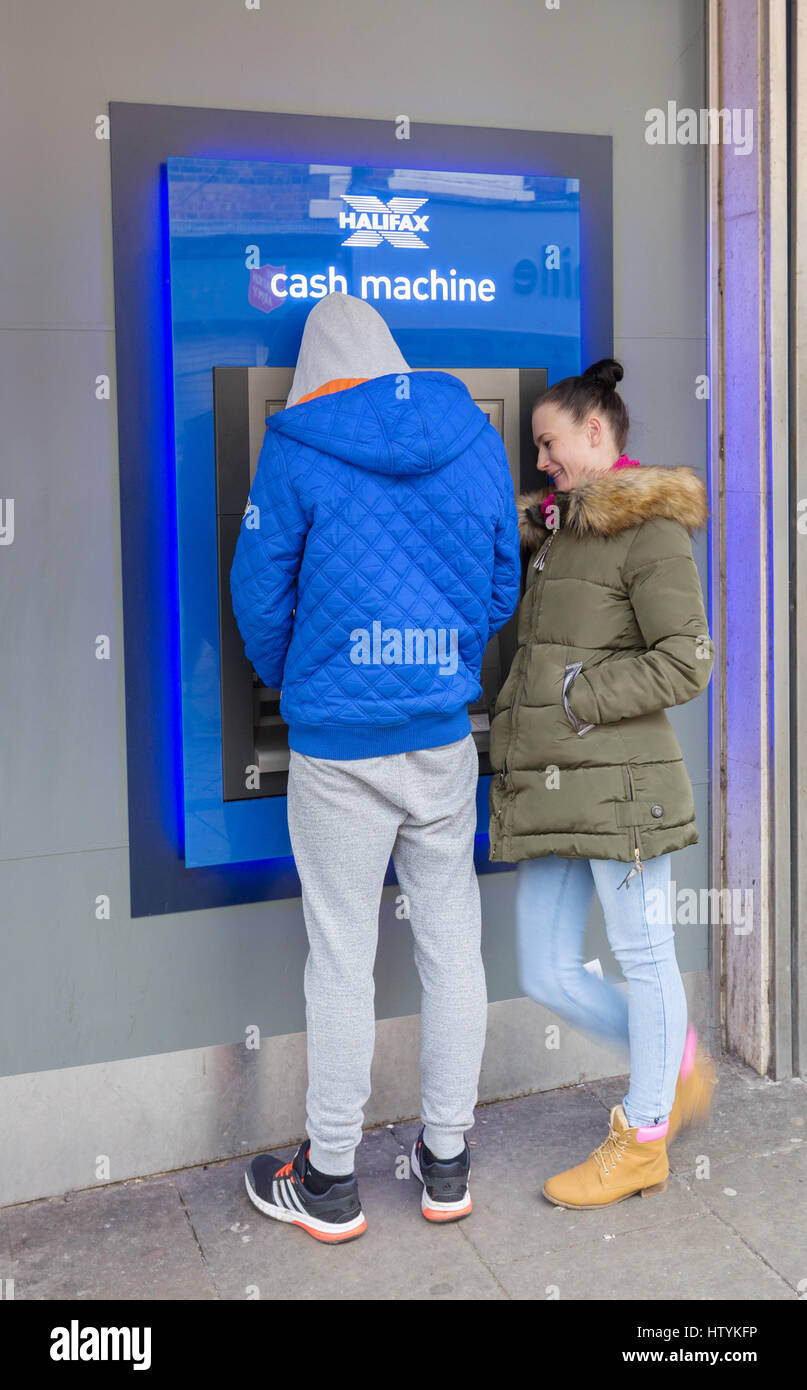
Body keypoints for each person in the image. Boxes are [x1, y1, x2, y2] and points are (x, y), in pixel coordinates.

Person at [230, 292, 521, 1242]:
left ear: (316, 371)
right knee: (451, 950)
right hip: (440, 737)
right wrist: (437, 665)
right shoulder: (472, 435)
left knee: (341, 958)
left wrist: (300, 680)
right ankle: (445, 1166)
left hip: (334, 754)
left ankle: (329, 1180)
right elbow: (498, 580)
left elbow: (258, 592)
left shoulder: (295, 444)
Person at [489, 358, 717, 1210]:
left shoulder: (648, 528)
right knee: (545, 970)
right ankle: (676, 1062)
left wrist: (580, 699)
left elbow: (684, 659)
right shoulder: (553, 532)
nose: (539, 459)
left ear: (594, 432)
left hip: (622, 788)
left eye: (547, 443)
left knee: (644, 954)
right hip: (556, 788)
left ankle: (644, 1138)